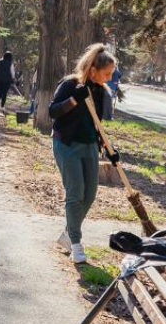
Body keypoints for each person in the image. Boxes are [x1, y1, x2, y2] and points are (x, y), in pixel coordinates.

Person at [49, 43, 118, 264]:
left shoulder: (100, 91)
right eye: (106, 73)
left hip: (89, 146)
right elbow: (53, 111)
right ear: (93, 70)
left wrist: (109, 150)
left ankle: (69, 234)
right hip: (67, 144)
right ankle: (76, 245)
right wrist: (74, 100)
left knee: (89, 195)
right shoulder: (71, 84)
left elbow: (96, 124)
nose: (108, 78)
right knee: (75, 192)